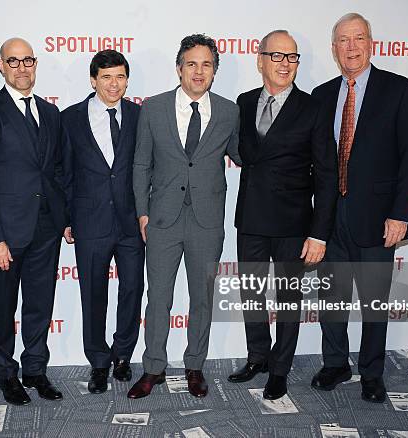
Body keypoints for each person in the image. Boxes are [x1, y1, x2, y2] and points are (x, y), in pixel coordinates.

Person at [310, 13, 408, 403]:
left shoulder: (401, 90)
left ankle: (371, 372)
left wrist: (402, 213)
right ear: (334, 48)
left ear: (372, 43)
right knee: (331, 299)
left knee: (374, 303)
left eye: (359, 38)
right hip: (329, 218)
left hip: (380, 219)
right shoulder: (322, 95)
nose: (351, 47)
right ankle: (335, 363)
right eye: (343, 40)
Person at [129, 34, 241, 399]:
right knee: (158, 296)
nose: (198, 71)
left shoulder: (229, 111)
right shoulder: (153, 107)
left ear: (214, 72)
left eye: (206, 64)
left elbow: (244, 155)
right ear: (179, 68)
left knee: (203, 299)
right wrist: (142, 213)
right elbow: (141, 163)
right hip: (162, 219)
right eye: (191, 63)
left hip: (207, 222)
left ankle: (195, 366)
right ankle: (152, 369)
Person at [228, 30, 337, 400]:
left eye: (292, 57)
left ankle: (279, 369)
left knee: (289, 299)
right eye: (277, 56)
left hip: (293, 222)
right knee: (253, 294)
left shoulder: (313, 108)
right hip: (252, 218)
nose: (285, 63)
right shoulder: (242, 103)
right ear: (260, 60)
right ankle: (257, 356)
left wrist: (319, 233)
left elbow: (326, 173)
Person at [0, 37, 68, 406]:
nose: (22, 68)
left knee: (40, 304)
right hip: (6, 233)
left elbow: (56, 169)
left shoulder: (50, 112)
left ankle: (36, 370)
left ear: (35, 64)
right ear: (0, 65)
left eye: (28, 61)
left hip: (46, 228)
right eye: (13, 61)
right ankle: (6, 375)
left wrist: (64, 218)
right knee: (3, 305)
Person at [61, 50, 145, 394]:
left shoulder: (141, 115)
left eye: (121, 77)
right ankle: (98, 360)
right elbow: (63, 172)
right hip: (89, 221)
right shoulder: (70, 118)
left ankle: (123, 355)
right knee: (93, 293)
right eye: (107, 77)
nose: (114, 84)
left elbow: (150, 167)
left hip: (131, 221)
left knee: (132, 290)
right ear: (93, 79)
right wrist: (67, 218)